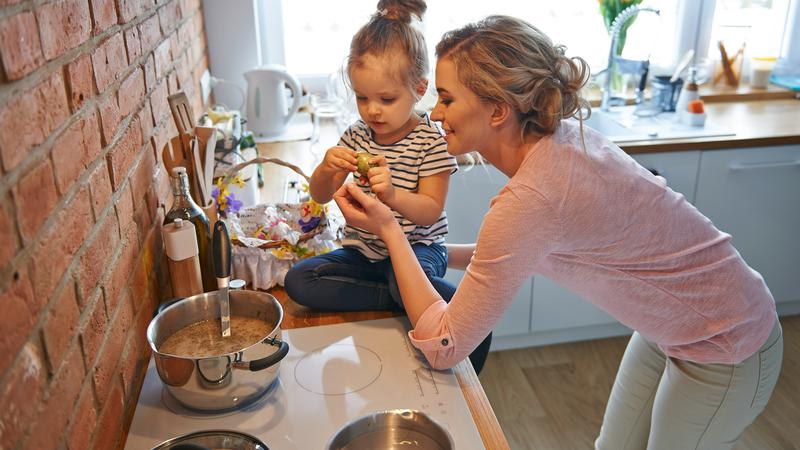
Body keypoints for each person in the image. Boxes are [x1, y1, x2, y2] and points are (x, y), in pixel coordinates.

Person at [332, 15, 783, 450]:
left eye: (447, 99)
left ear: (497, 110)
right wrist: (429, 248)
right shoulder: (558, 141)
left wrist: (391, 230)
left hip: (728, 340)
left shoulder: (533, 199)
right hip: (670, 328)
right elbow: (510, 252)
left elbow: (445, 346)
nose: (434, 113)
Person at [284, 0, 492, 372]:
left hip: (419, 251)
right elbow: (319, 195)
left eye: (386, 99)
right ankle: (397, 299)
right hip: (364, 252)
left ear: (419, 88)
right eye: (362, 98)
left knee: (402, 277)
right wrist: (326, 168)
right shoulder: (356, 136)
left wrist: (393, 196)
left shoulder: (431, 140)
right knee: (300, 280)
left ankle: (422, 300)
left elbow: (430, 210)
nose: (372, 111)